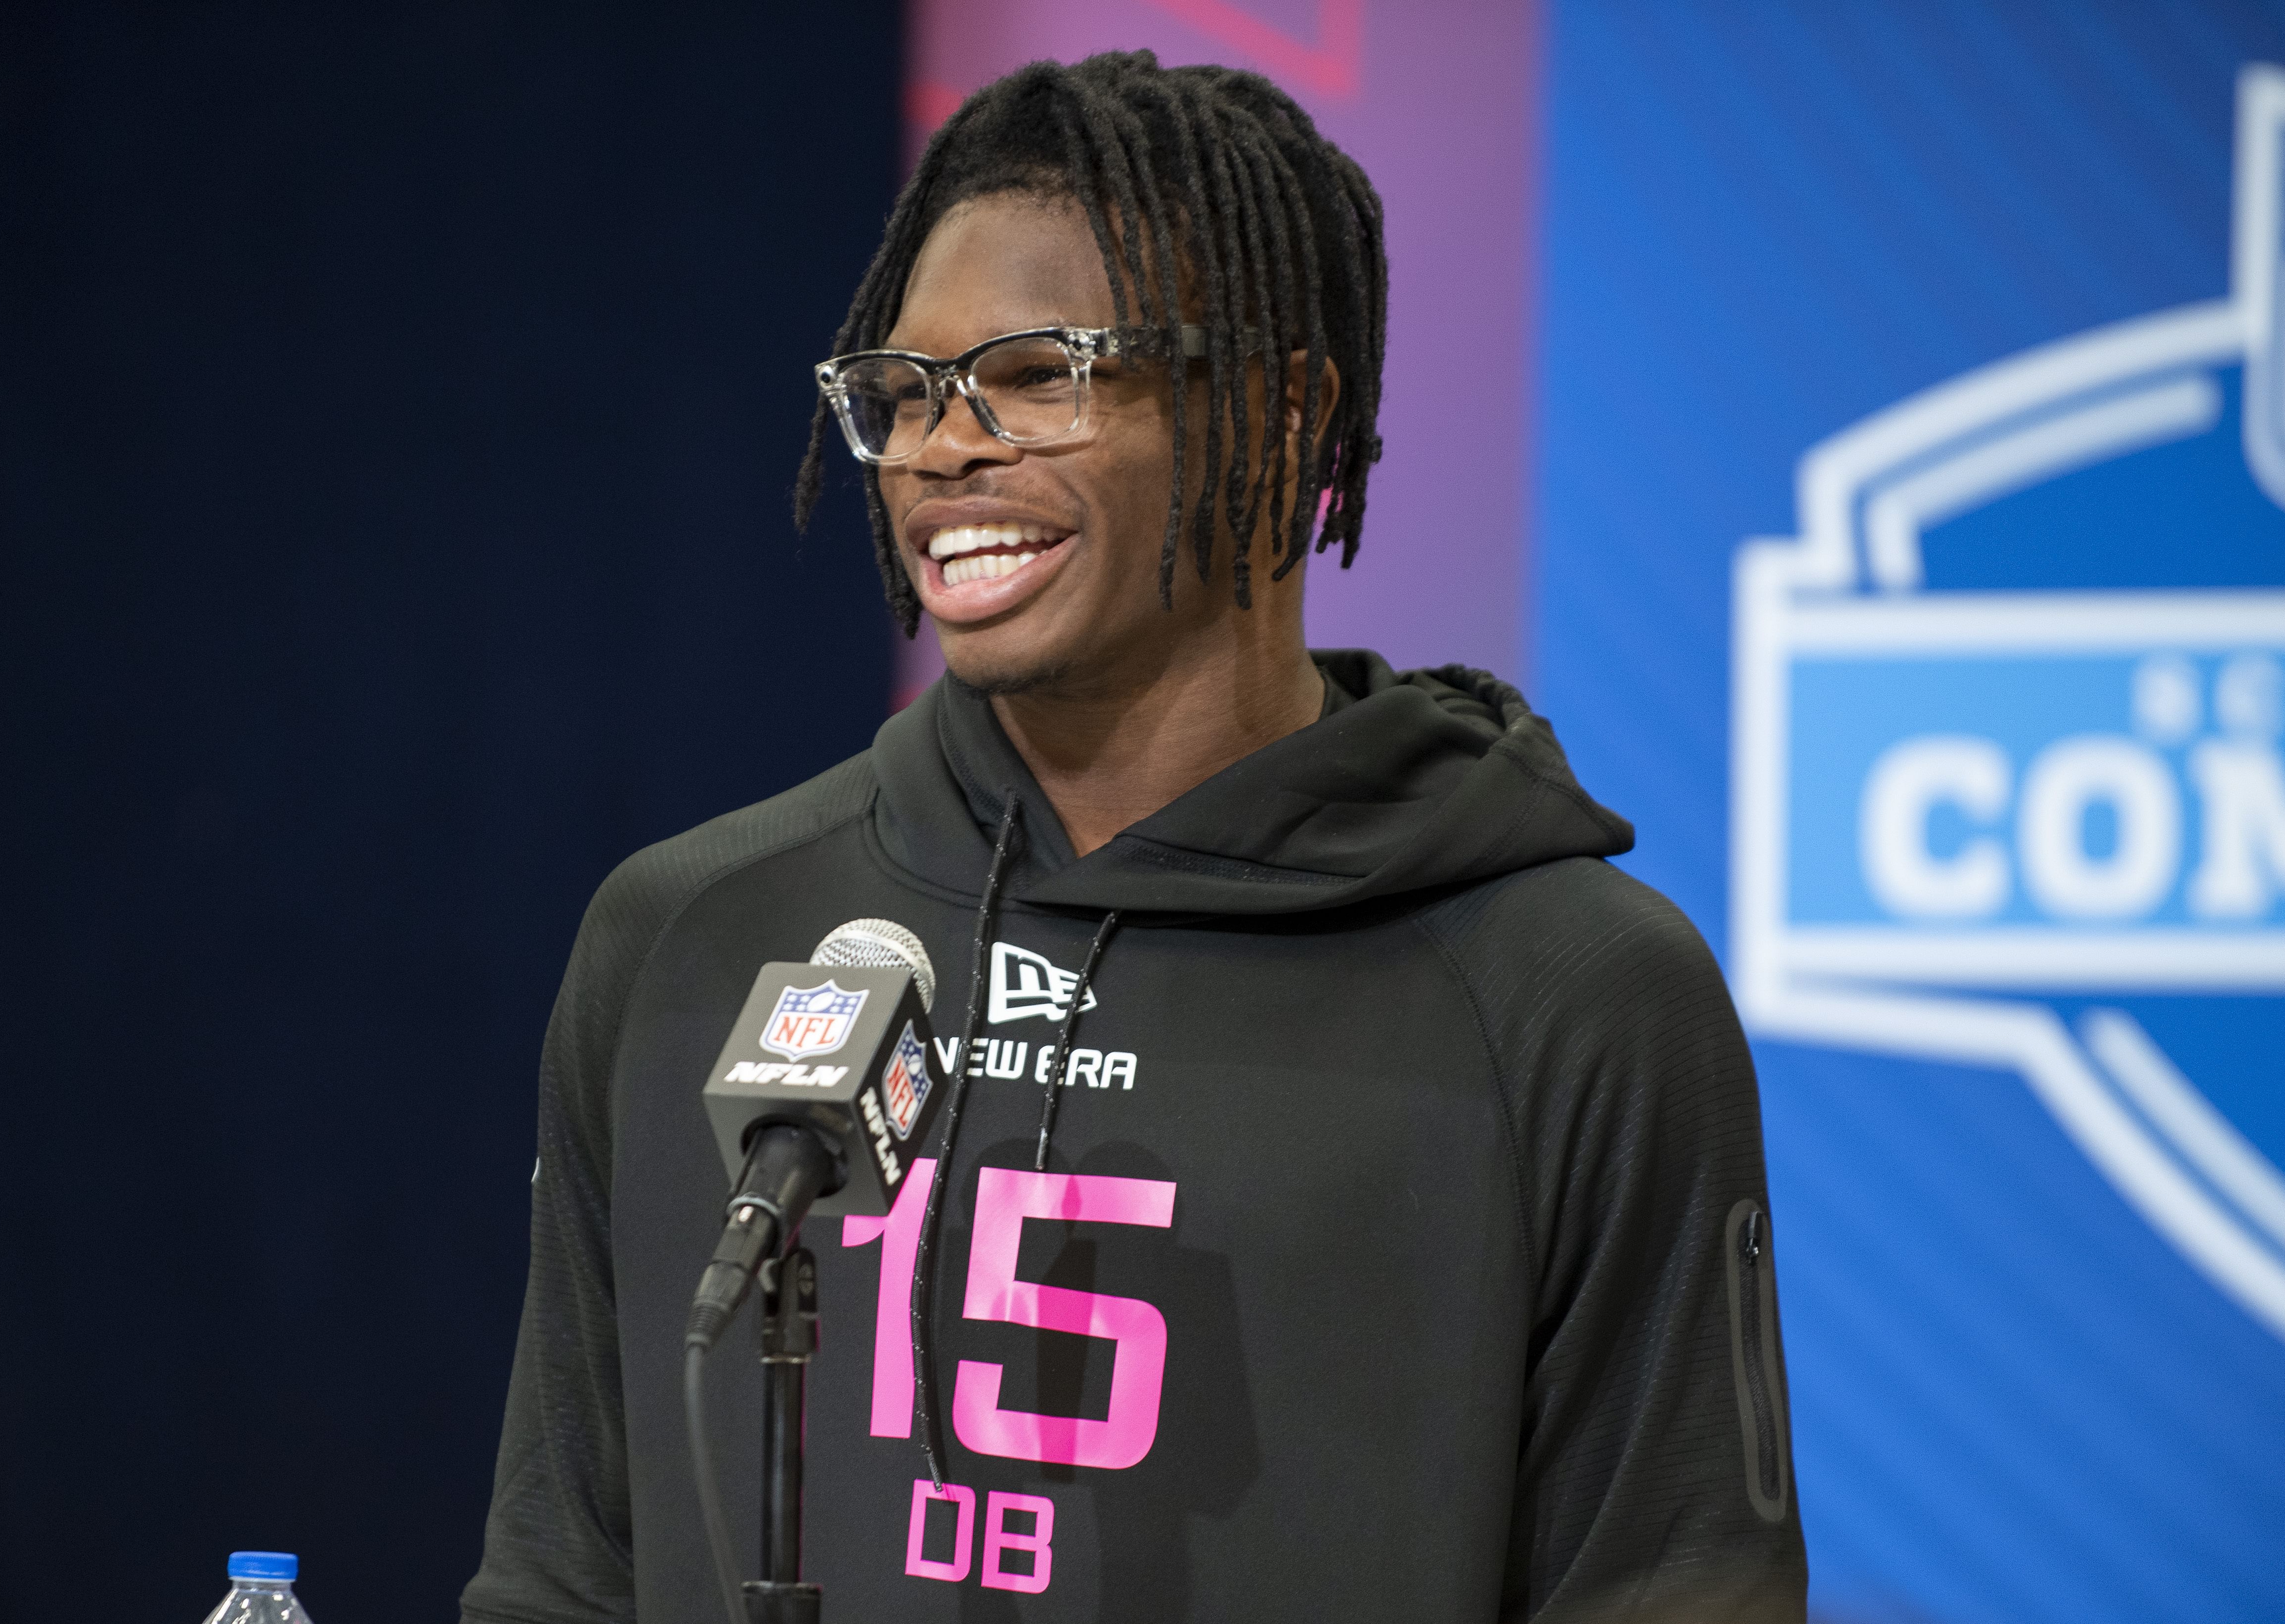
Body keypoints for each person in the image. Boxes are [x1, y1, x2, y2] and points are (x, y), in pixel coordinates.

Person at [461, 51, 1805, 1624]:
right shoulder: (690, 929)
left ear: (1285, 412)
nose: (946, 447)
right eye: (904, 394)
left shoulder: (1571, 993)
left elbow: (1676, 1588)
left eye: (1038, 373)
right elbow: (561, 1575)